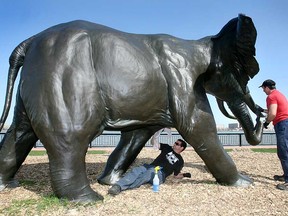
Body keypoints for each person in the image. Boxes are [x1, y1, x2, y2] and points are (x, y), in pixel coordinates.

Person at [108, 138, 191, 195]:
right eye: (175, 142)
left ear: (181, 147)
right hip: (150, 166)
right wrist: (156, 134)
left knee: (148, 174)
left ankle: (122, 188)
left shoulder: (180, 161)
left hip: (160, 174)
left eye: (177, 143)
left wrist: (185, 175)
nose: (174, 144)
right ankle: (117, 186)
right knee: (137, 170)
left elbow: (176, 175)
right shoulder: (167, 148)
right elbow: (154, 143)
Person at [259, 79, 288, 190]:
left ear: (267, 87)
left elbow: (273, 113)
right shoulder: (278, 94)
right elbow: (274, 110)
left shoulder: (271, 97)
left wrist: (266, 122)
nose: (263, 90)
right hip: (285, 122)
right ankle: (285, 175)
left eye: (263, 88)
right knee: (285, 150)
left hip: (282, 124)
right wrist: (262, 110)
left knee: (283, 152)